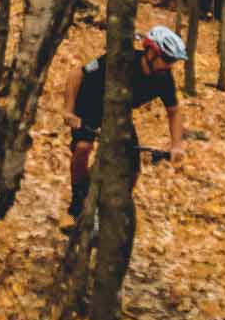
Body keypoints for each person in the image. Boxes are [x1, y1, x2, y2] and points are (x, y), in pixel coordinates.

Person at [65, 25, 187, 219]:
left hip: (118, 112)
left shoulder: (164, 78)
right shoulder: (122, 60)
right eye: (167, 59)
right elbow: (77, 74)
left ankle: (112, 212)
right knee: (83, 147)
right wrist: (69, 111)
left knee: (133, 168)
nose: (170, 65)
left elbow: (174, 111)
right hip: (89, 102)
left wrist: (177, 145)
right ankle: (77, 203)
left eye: (173, 61)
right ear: (150, 53)